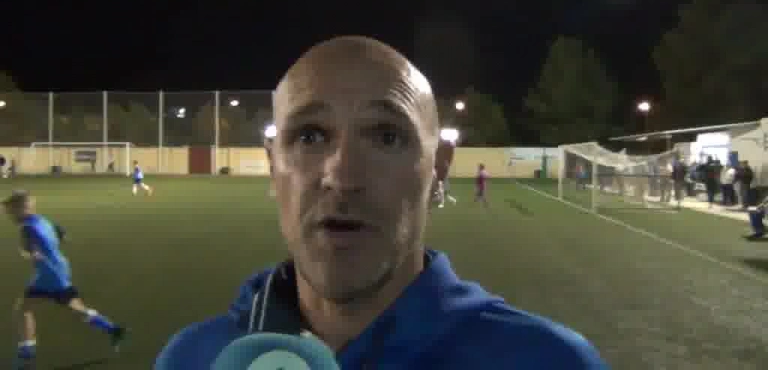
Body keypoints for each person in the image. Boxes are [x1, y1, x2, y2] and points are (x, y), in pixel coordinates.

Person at [155, 36, 607, 369]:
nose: (342, 178)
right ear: (274, 168)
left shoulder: (547, 361)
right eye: (310, 136)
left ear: (439, 170)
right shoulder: (193, 358)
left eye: (386, 137)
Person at [4, 190, 127, 369]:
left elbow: (29, 249)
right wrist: (57, 241)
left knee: (23, 308)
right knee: (74, 307)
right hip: (59, 268)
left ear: (22, 208)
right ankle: (113, 329)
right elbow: (60, 231)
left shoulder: (27, 228)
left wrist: (29, 253)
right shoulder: (42, 220)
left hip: (49, 274)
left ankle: (26, 355)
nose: (9, 214)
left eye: (11, 210)